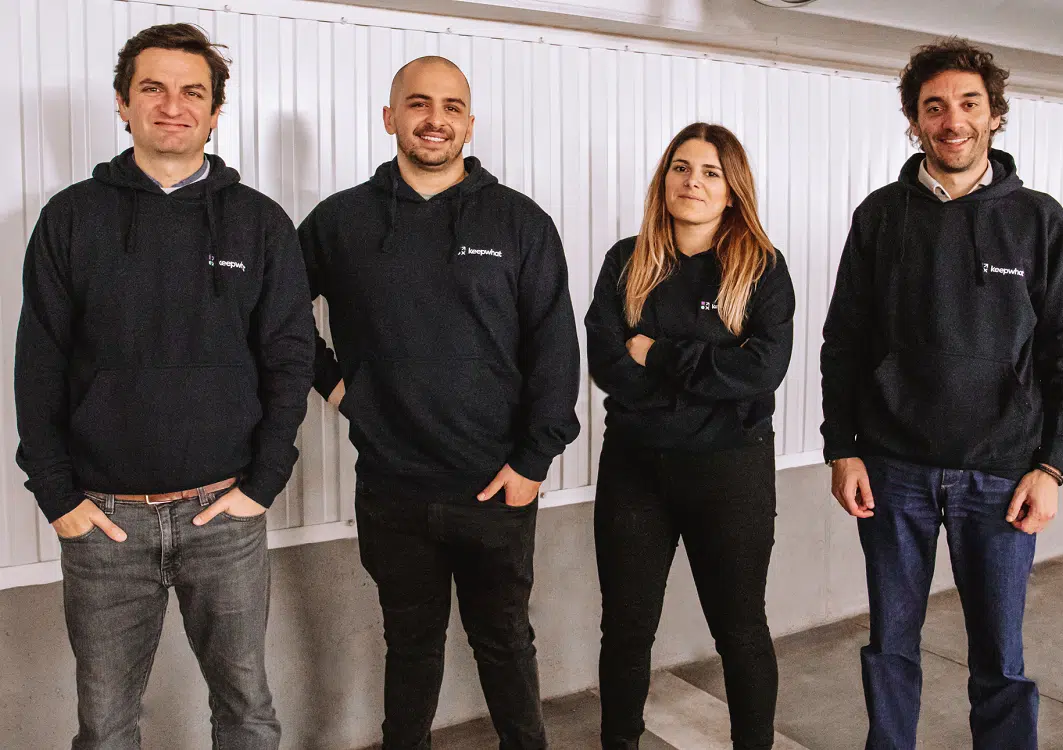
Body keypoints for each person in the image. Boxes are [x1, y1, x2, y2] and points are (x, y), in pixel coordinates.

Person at [14, 22, 315, 750]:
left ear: (215, 111)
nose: (172, 106)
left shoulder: (259, 222)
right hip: (105, 522)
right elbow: (39, 362)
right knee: (106, 726)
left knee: (247, 713)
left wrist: (263, 484)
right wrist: (58, 498)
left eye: (192, 92)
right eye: (152, 88)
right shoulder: (71, 218)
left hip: (224, 515)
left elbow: (289, 357)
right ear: (123, 103)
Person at [820, 37, 1063, 750]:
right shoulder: (880, 217)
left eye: (969, 104)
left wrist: (1052, 465)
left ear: (994, 114)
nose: (953, 121)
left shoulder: (1039, 220)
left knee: (1000, 661)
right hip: (893, 471)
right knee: (890, 648)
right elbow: (843, 343)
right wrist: (842, 450)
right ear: (914, 120)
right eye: (934, 106)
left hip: (1002, 476)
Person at [298, 56, 581, 749]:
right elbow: (277, 318)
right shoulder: (340, 222)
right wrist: (339, 388)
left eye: (452, 107)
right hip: (392, 489)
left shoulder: (520, 222)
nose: (435, 119)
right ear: (390, 117)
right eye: (419, 103)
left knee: (505, 643)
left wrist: (533, 463)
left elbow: (554, 350)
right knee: (410, 648)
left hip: (495, 486)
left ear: (470, 123)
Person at [585, 122, 795, 750]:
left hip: (731, 474)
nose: (692, 182)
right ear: (664, 178)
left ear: (732, 190)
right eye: (681, 167)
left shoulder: (762, 268)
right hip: (635, 472)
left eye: (710, 172)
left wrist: (658, 354)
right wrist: (706, 378)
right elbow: (607, 364)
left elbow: (762, 370)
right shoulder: (627, 261)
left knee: (740, 630)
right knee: (626, 630)